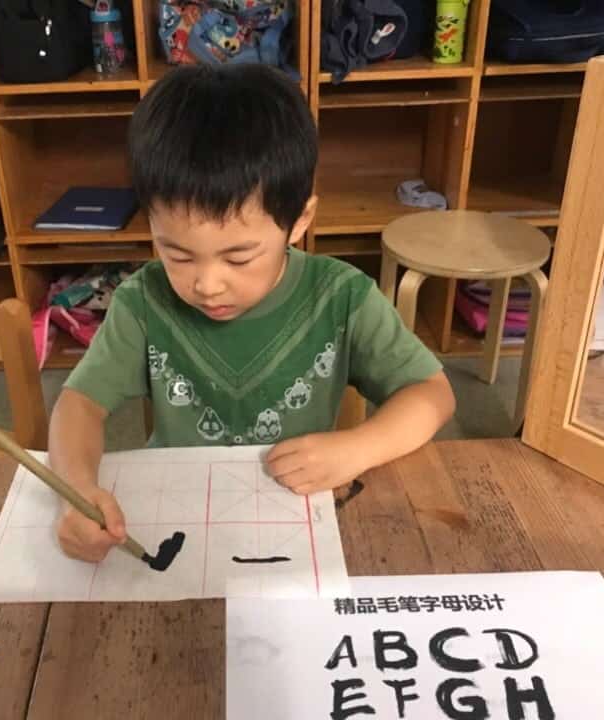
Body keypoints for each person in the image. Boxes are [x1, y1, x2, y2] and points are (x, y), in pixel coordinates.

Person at [48, 64, 456, 562]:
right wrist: (76, 490)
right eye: (175, 254)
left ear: (299, 220)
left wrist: (357, 449)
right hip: (175, 516)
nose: (207, 284)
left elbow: (433, 395)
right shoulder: (142, 301)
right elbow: (80, 405)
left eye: (239, 257)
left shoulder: (341, 296)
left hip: (295, 517)